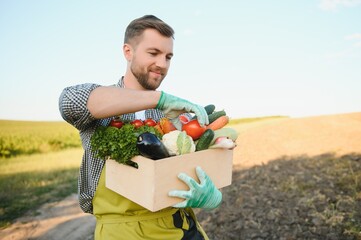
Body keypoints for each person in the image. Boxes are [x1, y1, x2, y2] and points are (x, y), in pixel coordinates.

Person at [59, 15, 222, 240]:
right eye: (153, 53)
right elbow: (69, 102)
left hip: (179, 229)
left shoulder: (172, 115)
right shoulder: (104, 103)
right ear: (128, 51)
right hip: (121, 232)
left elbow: (190, 168)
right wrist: (158, 99)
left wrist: (211, 195)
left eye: (168, 56)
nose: (162, 64)